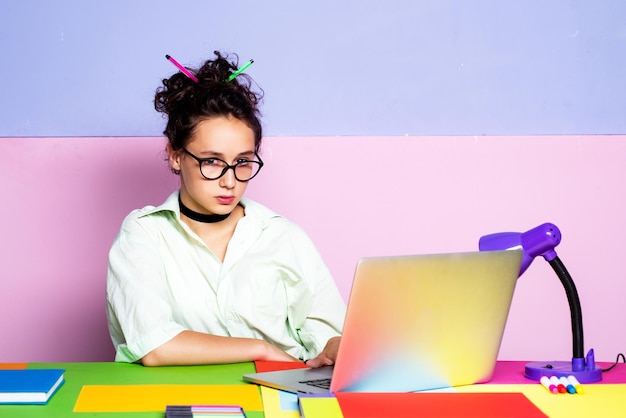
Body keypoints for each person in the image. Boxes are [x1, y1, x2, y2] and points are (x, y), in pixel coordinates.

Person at [106, 51, 345, 367]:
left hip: (285, 394)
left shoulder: (283, 234)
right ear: (176, 155)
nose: (230, 181)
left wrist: (341, 348)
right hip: (185, 401)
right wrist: (261, 349)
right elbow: (155, 345)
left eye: (243, 162)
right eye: (212, 161)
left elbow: (327, 330)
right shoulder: (144, 232)